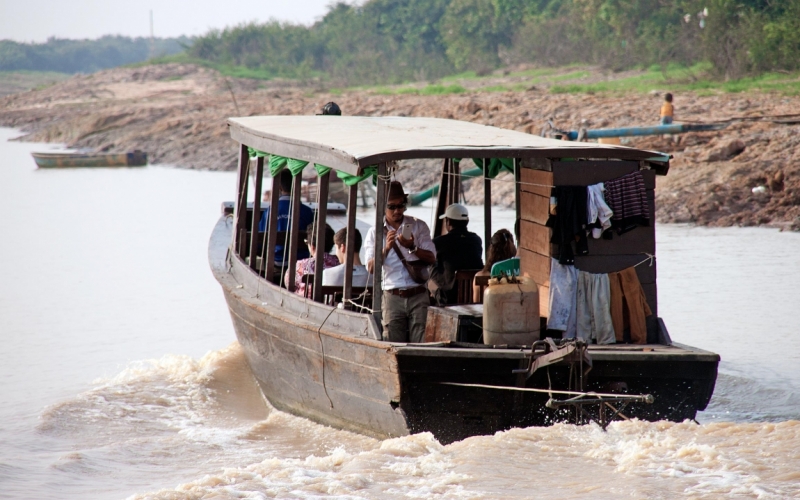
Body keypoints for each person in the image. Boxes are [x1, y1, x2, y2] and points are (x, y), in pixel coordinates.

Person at [364, 181, 436, 343]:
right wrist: (386, 248)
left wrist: (412, 247)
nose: (397, 210)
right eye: (392, 207)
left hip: (418, 293)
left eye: (401, 205)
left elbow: (432, 258)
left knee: (421, 343)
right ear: (382, 207)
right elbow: (371, 268)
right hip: (392, 296)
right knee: (392, 342)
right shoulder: (375, 232)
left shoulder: (418, 226)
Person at [428, 203, 483, 306]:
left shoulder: (439, 242)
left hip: (449, 298)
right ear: (467, 221)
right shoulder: (476, 240)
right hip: (472, 295)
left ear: (448, 222)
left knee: (428, 276)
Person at [258, 168, 314, 264]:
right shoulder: (307, 211)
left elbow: (261, 239)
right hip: (301, 262)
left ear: (279, 188)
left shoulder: (269, 211)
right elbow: (313, 239)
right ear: (296, 186)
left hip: (276, 260)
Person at [286, 222, 339, 297]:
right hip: (331, 305)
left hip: (304, 304)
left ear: (312, 246)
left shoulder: (300, 265)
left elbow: (288, 283)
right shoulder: (338, 263)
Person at [473, 229, 517, 303]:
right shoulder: (518, 272)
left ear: (491, 249)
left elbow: (476, 304)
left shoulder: (480, 276)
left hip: (488, 313)